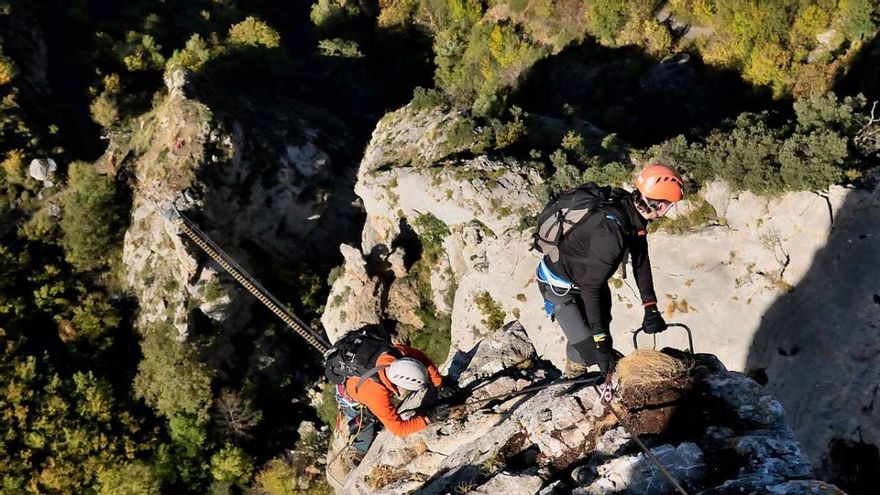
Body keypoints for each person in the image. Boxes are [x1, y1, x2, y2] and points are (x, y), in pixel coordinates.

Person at [535, 163, 685, 377]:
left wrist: (650, 307)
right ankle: (575, 370)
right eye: (669, 205)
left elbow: (641, 262)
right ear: (659, 205)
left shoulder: (632, 215)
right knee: (593, 352)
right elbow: (591, 288)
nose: (668, 210)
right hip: (560, 286)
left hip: (589, 279)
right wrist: (600, 343)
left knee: (600, 334)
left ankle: (582, 348)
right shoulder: (611, 232)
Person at [328, 330, 457, 465]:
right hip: (351, 396)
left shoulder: (399, 353)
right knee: (366, 424)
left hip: (362, 375)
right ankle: (360, 449)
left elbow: (421, 358)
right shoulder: (375, 394)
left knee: (380, 413)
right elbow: (398, 429)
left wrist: (440, 384)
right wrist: (430, 418)